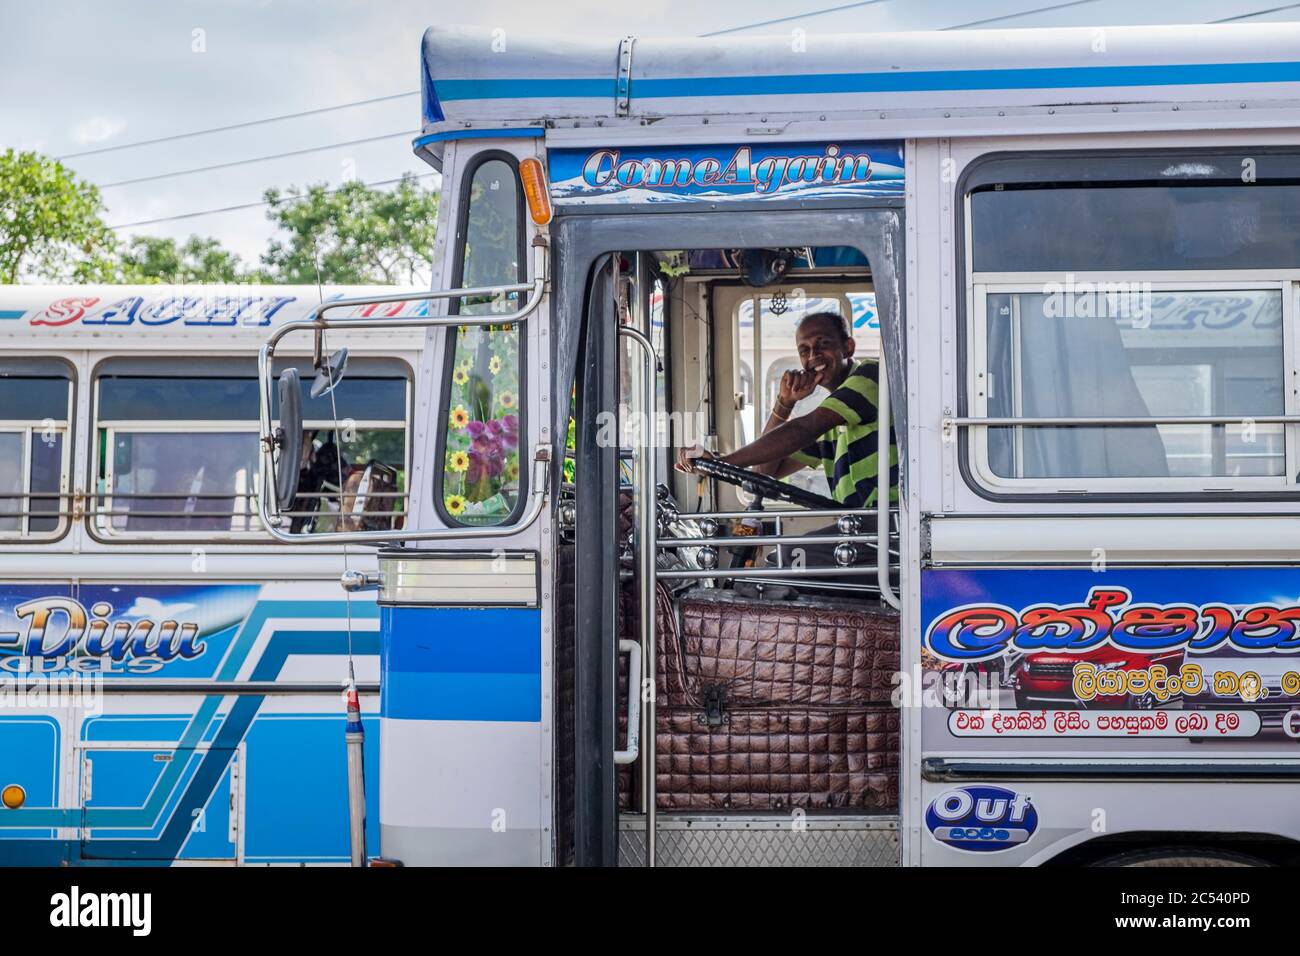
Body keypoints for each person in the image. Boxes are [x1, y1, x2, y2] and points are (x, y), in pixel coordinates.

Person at [675, 310, 897, 575]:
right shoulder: (835, 418)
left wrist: (721, 463)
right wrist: (784, 403)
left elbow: (804, 428)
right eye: (804, 350)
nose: (813, 357)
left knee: (785, 559)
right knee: (781, 560)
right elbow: (765, 473)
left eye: (823, 344)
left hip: (887, 527)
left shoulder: (870, 376)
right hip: (861, 528)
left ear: (848, 347)